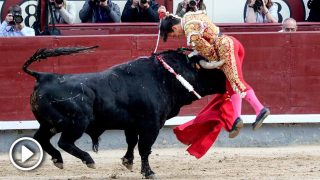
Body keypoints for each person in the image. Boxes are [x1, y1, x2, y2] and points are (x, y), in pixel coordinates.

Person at [159, 10, 270, 138]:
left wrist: (204, 62)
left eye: (173, 35)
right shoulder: (189, 16)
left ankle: (260, 109)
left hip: (225, 48)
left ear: (174, 27)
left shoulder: (191, 33)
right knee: (230, 85)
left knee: (236, 82)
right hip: (231, 43)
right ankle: (236, 119)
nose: (177, 37)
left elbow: (210, 52)